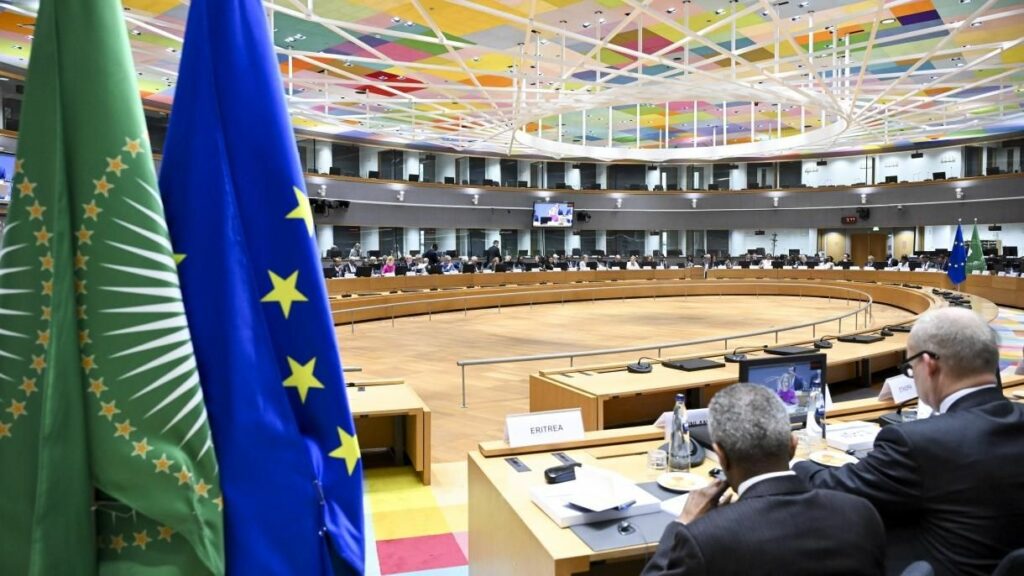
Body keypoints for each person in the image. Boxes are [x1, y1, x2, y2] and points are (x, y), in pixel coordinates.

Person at [794, 307, 1024, 576]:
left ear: (928, 365)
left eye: (909, 367)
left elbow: (831, 490)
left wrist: (796, 462)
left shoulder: (918, 442)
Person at [642, 384, 885, 576]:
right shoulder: (861, 513)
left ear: (721, 456)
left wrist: (682, 524)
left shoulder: (704, 539)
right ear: (793, 446)